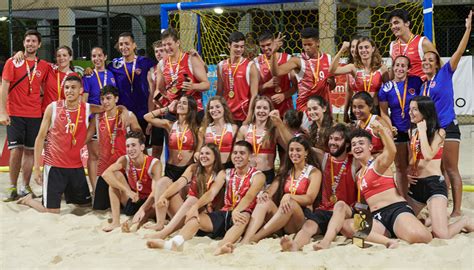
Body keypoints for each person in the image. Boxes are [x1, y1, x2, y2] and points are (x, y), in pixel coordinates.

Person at [146, 141, 265, 256]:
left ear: (250, 157)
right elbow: (211, 193)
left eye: (242, 153)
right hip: (224, 212)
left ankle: (222, 247)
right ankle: (175, 243)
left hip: (242, 213)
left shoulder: (258, 176)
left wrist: (237, 210)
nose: (237, 156)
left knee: (243, 218)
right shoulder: (225, 173)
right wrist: (195, 207)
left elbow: (249, 196)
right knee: (195, 219)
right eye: (235, 153)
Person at [420, 11, 472, 217]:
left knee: (451, 169)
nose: (426, 62)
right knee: (439, 171)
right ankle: (442, 206)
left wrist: (467, 29)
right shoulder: (423, 85)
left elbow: (459, 51)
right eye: (424, 60)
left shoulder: (445, 73)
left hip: (448, 126)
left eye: (430, 60)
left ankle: (457, 210)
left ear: (437, 63)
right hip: (433, 131)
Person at [17, 76, 95, 213]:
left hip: (76, 167)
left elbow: (105, 109)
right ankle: (28, 200)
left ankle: (62, 191)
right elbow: (40, 138)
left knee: (86, 206)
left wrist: (122, 109)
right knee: (52, 211)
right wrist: (37, 168)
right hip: (55, 167)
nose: (69, 91)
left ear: (81, 90)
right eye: (66, 87)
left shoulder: (87, 108)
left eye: (73, 87)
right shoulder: (53, 108)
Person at [280, 124, 359, 251]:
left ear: (348, 144)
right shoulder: (324, 157)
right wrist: (279, 123)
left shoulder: (355, 161)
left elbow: (377, 155)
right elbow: (298, 145)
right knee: (308, 226)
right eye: (331, 138)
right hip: (325, 209)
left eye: (337, 139)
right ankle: (294, 246)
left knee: (340, 205)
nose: (332, 142)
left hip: (346, 210)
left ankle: (326, 242)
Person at [350, 122, 432, 244]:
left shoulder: (377, 163)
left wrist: (382, 131)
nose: (357, 146)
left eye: (361, 143)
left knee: (422, 238)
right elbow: (364, 201)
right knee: (349, 225)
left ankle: (428, 224)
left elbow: (392, 151)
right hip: (376, 217)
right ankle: (388, 241)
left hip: (395, 210)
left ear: (370, 147)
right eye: (353, 144)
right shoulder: (358, 175)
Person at [407, 96, 474, 238]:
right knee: (406, 226)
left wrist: (423, 131)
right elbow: (413, 159)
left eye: (415, 109)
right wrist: (408, 173)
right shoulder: (412, 132)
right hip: (416, 186)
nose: (410, 113)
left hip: (434, 185)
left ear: (425, 112)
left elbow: (428, 155)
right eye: (410, 109)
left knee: (441, 234)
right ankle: (434, 219)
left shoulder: (440, 132)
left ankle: (464, 221)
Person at [241, 136, 322, 244]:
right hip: (281, 217)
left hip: (301, 219)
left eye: (298, 150)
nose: (294, 153)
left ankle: (255, 238)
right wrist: (265, 194)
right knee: (264, 202)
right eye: (291, 150)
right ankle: (246, 240)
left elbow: (310, 198)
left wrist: (289, 196)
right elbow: (271, 190)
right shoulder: (286, 171)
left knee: (291, 203)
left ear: (306, 152)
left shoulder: (314, 172)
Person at [0, 30, 49, 200]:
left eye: (34, 41)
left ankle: (24, 186)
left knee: (29, 152)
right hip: (15, 113)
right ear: (23, 43)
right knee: (15, 152)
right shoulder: (13, 62)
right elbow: (4, 87)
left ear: (39, 45)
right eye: (28, 41)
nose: (30, 44)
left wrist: (85, 73)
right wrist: (2, 111)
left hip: (35, 114)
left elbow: (62, 73)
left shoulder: (44, 66)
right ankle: (13, 187)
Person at [143, 95, 200, 230]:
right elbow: (147, 117)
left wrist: (197, 154)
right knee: (162, 185)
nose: (180, 105)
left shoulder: (197, 129)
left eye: (184, 103)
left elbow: (198, 151)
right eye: (179, 102)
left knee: (178, 204)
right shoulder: (170, 125)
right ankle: (160, 223)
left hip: (186, 170)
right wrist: (167, 108)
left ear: (191, 108)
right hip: (170, 169)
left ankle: (173, 222)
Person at [144, 143, 224, 240]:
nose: (203, 156)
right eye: (202, 153)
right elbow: (178, 183)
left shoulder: (221, 173)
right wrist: (163, 196)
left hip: (204, 217)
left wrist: (195, 206)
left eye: (207, 153)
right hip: (186, 213)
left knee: (193, 199)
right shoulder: (194, 168)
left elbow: (211, 194)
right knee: (163, 181)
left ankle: (164, 233)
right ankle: (159, 224)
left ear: (215, 156)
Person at [86, 85, 141, 210]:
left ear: (116, 99)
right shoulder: (97, 118)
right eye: (102, 99)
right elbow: (85, 138)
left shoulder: (129, 116)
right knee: (99, 208)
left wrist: (124, 110)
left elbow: (140, 138)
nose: (105, 102)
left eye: (108, 98)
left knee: (128, 208)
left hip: (124, 169)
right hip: (105, 170)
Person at [100, 130, 162, 232]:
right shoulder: (125, 159)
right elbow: (106, 174)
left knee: (155, 204)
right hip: (134, 198)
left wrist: (142, 208)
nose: (130, 149)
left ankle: (136, 225)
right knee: (114, 178)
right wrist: (127, 191)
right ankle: (116, 222)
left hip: (148, 202)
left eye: (133, 145)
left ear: (142, 147)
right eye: (128, 146)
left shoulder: (154, 164)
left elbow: (155, 193)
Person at [378, 55, 423, 198]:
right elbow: (383, 112)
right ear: (393, 67)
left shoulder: (416, 82)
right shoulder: (386, 88)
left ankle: (419, 197)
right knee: (400, 167)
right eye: (397, 65)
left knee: (417, 164)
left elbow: (422, 104)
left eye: (403, 66)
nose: (399, 68)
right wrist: (390, 128)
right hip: (398, 130)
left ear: (408, 69)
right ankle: (404, 198)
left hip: (414, 129)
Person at [269, 28, 336, 112]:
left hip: (323, 108)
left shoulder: (328, 59)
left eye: (310, 44)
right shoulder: (298, 61)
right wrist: (273, 52)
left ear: (318, 42)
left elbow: (332, 86)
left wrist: (332, 83)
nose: (307, 48)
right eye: (304, 45)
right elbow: (276, 72)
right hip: (305, 109)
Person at [107, 32, 155, 143]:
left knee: (142, 146)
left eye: (127, 44)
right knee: (124, 146)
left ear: (134, 45)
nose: (124, 47)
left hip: (143, 111)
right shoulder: (114, 65)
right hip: (123, 113)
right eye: (121, 44)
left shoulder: (145, 62)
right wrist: (89, 70)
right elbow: (102, 74)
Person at [154, 28, 210, 120]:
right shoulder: (161, 64)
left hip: (193, 111)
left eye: (169, 44)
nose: (167, 48)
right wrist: (158, 99)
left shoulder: (190, 59)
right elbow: (159, 89)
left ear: (178, 43)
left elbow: (206, 84)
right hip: (174, 112)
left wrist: (193, 86)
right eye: (164, 45)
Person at [236, 95, 292, 185]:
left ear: (270, 111)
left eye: (265, 108)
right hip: (248, 174)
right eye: (258, 108)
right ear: (253, 110)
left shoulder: (274, 131)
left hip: (267, 176)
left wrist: (280, 123)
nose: (261, 111)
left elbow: (291, 145)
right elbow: (235, 154)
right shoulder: (244, 129)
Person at [82, 46, 117, 191]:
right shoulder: (88, 76)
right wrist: (98, 111)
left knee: (109, 154)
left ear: (105, 56)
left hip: (111, 119)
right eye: (94, 56)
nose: (97, 59)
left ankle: (109, 187)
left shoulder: (112, 74)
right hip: (94, 120)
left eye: (99, 56)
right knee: (94, 155)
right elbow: (84, 102)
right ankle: (95, 189)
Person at [329, 38, 389, 110]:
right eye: (360, 48)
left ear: (373, 49)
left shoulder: (382, 68)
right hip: (357, 109)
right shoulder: (353, 67)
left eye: (366, 47)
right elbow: (332, 71)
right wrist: (342, 49)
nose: (363, 50)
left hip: (375, 108)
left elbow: (388, 91)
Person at [217, 31, 259, 126]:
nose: (239, 49)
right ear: (229, 45)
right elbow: (219, 92)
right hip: (226, 115)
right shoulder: (221, 66)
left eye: (242, 46)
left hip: (243, 115)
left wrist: (249, 117)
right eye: (236, 46)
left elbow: (254, 95)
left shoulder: (250, 66)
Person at [254, 31, 297, 117]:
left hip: (285, 109)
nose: (266, 48)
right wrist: (266, 85)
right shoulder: (256, 62)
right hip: (265, 111)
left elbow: (296, 86)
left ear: (274, 43)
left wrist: (284, 95)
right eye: (262, 46)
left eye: (268, 44)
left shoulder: (288, 59)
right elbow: (253, 90)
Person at [388, 8, 438, 80]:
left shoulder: (422, 42)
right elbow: (393, 73)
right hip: (401, 90)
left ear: (407, 23)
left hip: (420, 88)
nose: (393, 27)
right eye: (391, 24)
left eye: (396, 23)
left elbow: (439, 66)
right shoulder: (393, 45)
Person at [198, 96, 238, 168]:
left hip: (228, 166)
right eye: (211, 108)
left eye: (217, 106)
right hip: (209, 167)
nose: (214, 110)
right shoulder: (203, 129)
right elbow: (198, 150)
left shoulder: (233, 128)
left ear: (224, 108)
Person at [41, 46, 80, 112]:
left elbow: (77, 99)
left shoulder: (75, 76)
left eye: (64, 55)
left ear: (70, 58)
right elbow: (34, 60)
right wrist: (20, 53)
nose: (61, 58)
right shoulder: (50, 69)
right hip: (47, 113)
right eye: (59, 56)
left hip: (64, 115)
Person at [147, 40, 166, 158]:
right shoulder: (151, 71)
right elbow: (152, 94)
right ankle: (155, 175)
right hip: (159, 111)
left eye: (161, 51)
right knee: (156, 147)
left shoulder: (175, 66)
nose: (158, 54)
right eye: (156, 51)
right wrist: (151, 115)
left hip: (173, 110)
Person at [343, 36, 361, 123]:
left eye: (357, 47)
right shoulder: (349, 67)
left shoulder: (371, 67)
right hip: (355, 108)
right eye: (352, 47)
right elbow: (349, 91)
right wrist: (345, 111)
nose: (354, 49)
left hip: (369, 108)